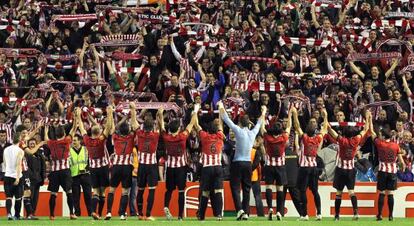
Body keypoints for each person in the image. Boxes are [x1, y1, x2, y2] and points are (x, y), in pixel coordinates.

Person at [219, 101, 266, 220]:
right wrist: (264, 111)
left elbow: (225, 118)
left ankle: (240, 210)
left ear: (240, 123)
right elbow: (260, 122)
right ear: (249, 124)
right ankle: (245, 212)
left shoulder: (238, 131)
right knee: (246, 189)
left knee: (235, 187)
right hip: (248, 165)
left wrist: (220, 106)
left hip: (237, 163)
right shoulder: (252, 133)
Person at [327, 111, 371, 221]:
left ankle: (337, 216)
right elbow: (365, 130)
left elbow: (330, 130)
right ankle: (356, 213)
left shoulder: (342, 140)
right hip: (351, 170)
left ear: (344, 133)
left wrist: (325, 118)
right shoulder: (356, 140)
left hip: (341, 169)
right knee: (351, 192)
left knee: (338, 193)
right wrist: (368, 118)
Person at [159, 105, 198, 221]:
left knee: (169, 190)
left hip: (170, 167)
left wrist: (161, 114)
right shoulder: (182, 137)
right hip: (181, 168)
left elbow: (161, 127)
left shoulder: (166, 137)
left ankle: (166, 206)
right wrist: (195, 110)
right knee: (181, 191)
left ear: (170, 129)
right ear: (178, 128)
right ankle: (180, 216)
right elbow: (191, 124)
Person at [77, 106, 113, 220]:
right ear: (99, 131)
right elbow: (108, 127)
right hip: (103, 167)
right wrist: (110, 113)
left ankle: (94, 212)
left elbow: (82, 128)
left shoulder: (87, 140)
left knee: (96, 191)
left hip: (93, 168)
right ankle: (99, 213)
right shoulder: (101, 139)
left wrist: (78, 116)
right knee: (102, 191)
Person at [292, 107, 328, 221]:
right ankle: (319, 214)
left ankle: (305, 215)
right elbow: (325, 129)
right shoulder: (317, 138)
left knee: (302, 191)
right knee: (315, 191)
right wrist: (326, 116)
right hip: (313, 168)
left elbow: (297, 126)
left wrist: (294, 114)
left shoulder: (304, 138)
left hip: (304, 168)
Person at [369, 115, 406, 221]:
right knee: (390, 194)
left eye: (380, 134)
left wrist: (369, 119)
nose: (379, 135)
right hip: (392, 172)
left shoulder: (380, 143)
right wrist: (402, 165)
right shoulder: (395, 145)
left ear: (384, 136)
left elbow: (371, 132)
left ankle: (380, 215)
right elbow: (400, 160)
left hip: (382, 171)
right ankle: (390, 216)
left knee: (381, 193)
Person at [105, 103, 138, 220]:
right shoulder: (131, 137)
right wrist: (132, 111)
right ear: (128, 130)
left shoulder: (115, 137)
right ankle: (123, 214)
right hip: (127, 168)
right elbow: (135, 127)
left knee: (112, 190)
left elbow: (112, 128)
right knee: (125, 192)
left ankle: (108, 212)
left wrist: (110, 114)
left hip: (116, 167)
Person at [193, 105, 225, 221]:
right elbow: (221, 124)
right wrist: (221, 108)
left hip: (207, 168)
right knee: (218, 191)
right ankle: (219, 215)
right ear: (216, 130)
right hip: (218, 168)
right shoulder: (220, 136)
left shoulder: (204, 136)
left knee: (205, 192)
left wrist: (196, 110)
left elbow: (196, 125)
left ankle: (201, 216)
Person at [263, 108, 292, 221]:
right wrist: (289, 114)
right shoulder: (283, 137)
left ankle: (270, 208)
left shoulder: (267, 137)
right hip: (280, 166)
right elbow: (289, 127)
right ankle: (279, 212)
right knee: (280, 189)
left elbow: (261, 128)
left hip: (269, 166)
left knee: (269, 187)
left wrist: (263, 113)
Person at [45, 121, 78, 220]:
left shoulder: (51, 143)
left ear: (55, 134)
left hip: (54, 172)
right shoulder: (66, 140)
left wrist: (46, 130)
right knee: (69, 191)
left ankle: (52, 215)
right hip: (65, 171)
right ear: (63, 133)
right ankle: (72, 214)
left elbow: (46, 139)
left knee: (53, 193)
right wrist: (76, 122)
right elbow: (72, 131)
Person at [135, 109, 162, 220]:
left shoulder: (140, 134)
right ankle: (148, 214)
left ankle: (140, 214)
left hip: (141, 166)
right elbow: (160, 126)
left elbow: (133, 122)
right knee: (151, 190)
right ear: (152, 127)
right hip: (151, 167)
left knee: (140, 190)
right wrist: (159, 114)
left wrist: (132, 111)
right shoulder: (155, 135)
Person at [69, 134, 92, 217]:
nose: (73, 142)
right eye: (72, 141)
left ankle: (90, 212)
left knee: (88, 195)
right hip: (74, 175)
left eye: (75, 140)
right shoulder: (69, 151)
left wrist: (88, 169)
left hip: (85, 175)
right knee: (76, 196)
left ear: (79, 141)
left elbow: (90, 160)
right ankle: (77, 213)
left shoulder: (86, 149)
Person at [3, 133, 24, 220]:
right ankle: (17, 215)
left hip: (7, 175)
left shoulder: (6, 149)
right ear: (19, 140)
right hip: (16, 176)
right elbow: (18, 164)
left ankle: (8, 214)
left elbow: (4, 163)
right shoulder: (20, 151)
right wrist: (18, 177)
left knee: (8, 197)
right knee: (18, 198)